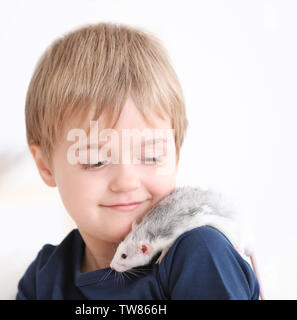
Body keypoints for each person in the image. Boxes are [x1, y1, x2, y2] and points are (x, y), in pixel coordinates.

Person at [16, 22, 260, 299]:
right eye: (96, 160)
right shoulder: (44, 277)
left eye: (150, 155)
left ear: (175, 154)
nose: (126, 181)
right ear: (45, 166)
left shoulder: (200, 253)